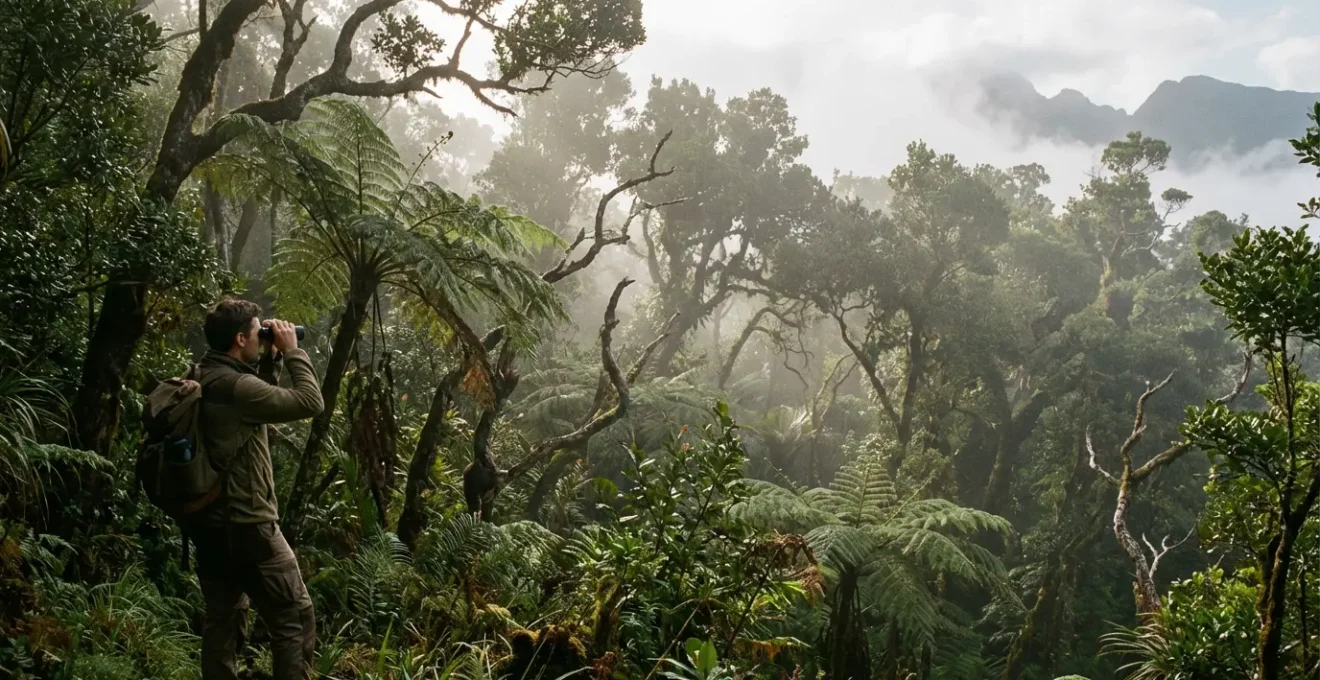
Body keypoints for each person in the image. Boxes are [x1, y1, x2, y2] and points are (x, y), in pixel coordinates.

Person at [188, 298, 324, 680]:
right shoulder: (239, 387)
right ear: (240, 338)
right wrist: (293, 351)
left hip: (209, 525)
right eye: (257, 330)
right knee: (294, 616)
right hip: (249, 525)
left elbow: (253, 408)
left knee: (222, 620)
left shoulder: (204, 374)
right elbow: (311, 402)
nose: (262, 334)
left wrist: (270, 361)